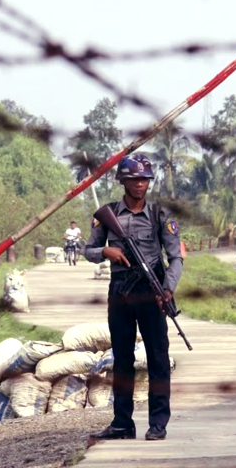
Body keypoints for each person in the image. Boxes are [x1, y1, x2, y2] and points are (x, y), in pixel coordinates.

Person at [84, 153, 183, 441]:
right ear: (123, 182)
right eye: (134, 179)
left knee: (157, 359)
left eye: (144, 179)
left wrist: (168, 288)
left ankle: (158, 423)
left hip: (151, 291)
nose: (140, 184)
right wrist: (106, 251)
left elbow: (175, 258)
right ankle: (122, 423)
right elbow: (88, 250)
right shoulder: (108, 215)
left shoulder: (159, 215)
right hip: (120, 291)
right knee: (122, 359)